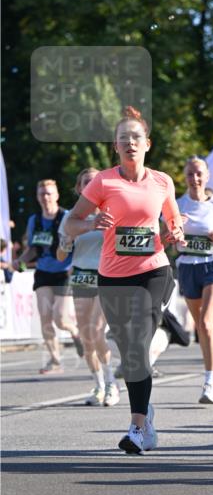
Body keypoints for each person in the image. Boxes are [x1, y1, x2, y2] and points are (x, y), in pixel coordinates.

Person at [64, 106, 184, 455]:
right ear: (115, 147)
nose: (129, 143)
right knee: (131, 351)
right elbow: (72, 223)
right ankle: (146, 416)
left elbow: (174, 224)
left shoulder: (162, 181)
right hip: (113, 276)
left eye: (135, 137)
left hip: (153, 270)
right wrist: (89, 225)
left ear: (147, 143)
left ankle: (136, 428)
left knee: (136, 342)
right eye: (122, 139)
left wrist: (175, 233)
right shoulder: (103, 181)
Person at [58, 168, 120, 406]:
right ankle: (98, 385)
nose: (91, 185)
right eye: (86, 182)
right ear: (79, 188)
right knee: (86, 338)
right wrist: (67, 241)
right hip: (82, 277)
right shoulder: (71, 217)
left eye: (96, 182)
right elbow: (60, 253)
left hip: (106, 276)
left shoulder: (112, 211)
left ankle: (112, 383)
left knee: (96, 330)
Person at [174, 156, 213, 406]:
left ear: (207, 176)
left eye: (199, 174)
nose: (195, 179)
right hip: (188, 267)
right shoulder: (177, 204)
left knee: (207, 322)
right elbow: (167, 235)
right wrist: (175, 237)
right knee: (201, 325)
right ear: (184, 177)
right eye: (190, 174)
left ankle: (209, 382)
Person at [17, 179, 83, 373]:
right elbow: (32, 249)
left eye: (48, 193)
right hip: (43, 272)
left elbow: (77, 244)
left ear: (56, 195)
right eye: (41, 194)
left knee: (61, 319)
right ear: (37, 197)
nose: (45, 197)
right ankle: (55, 361)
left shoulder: (66, 216)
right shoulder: (34, 220)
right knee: (45, 319)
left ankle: (75, 332)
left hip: (64, 271)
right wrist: (19, 260)